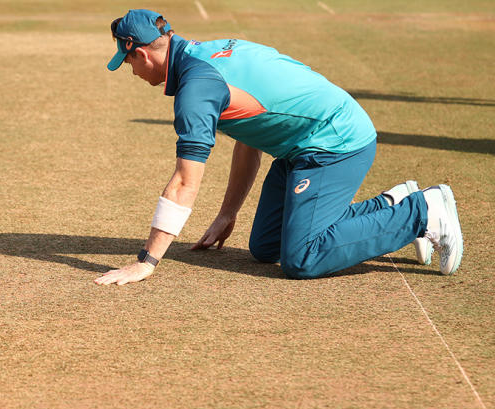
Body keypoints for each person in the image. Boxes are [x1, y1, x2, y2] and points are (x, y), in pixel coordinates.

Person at [94, 9, 463, 286]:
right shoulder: (209, 51)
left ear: (141, 54)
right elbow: (248, 140)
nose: (131, 71)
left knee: (302, 257)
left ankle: (422, 212)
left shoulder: (195, 90)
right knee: (265, 247)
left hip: (335, 144)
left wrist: (147, 261)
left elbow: (183, 183)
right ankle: (392, 202)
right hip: (301, 148)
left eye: (127, 61)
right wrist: (227, 213)